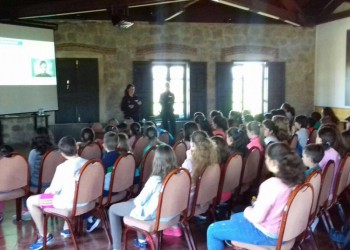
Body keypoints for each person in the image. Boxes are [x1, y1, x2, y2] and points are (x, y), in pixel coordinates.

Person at [207, 142, 305, 250]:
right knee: (235, 217)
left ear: (273, 162)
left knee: (212, 230)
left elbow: (257, 218)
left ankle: (234, 240)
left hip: (267, 234)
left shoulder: (272, 185)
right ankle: (235, 240)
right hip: (286, 230)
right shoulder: (297, 182)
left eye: (267, 158)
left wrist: (248, 210)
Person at [108, 144, 178, 250]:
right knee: (134, 205)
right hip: (170, 214)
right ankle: (141, 242)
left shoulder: (155, 179)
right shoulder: (178, 176)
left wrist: (133, 200)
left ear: (156, 160)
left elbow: (139, 202)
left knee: (112, 210)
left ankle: (116, 247)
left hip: (153, 215)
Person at [27, 136, 88, 249]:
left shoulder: (62, 168)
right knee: (70, 192)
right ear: (77, 147)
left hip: (69, 204)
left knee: (30, 201)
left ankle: (44, 236)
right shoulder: (89, 164)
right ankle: (66, 229)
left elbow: (53, 191)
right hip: (86, 203)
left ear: (62, 154)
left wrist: (45, 193)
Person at [17, 129, 54, 221]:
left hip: (38, 185)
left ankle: (27, 210)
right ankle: (43, 206)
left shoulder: (34, 153)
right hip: (52, 184)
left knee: (23, 185)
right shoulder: (55, 152)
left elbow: (30, 171)